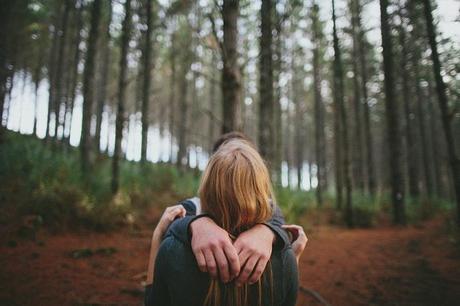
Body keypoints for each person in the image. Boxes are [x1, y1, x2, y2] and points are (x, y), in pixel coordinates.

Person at [145, 140, 308, 306]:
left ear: (207, 188)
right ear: (262, 192)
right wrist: (290, 261)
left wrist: (158, 235)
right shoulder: (284, 257)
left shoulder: (173, 249)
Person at [174, 132, 290, 286]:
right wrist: (198, 224)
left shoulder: (268, 207)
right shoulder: (194, 206)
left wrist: (266, 233)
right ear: (214, 166)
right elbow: (172, 224)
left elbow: (281, 225)